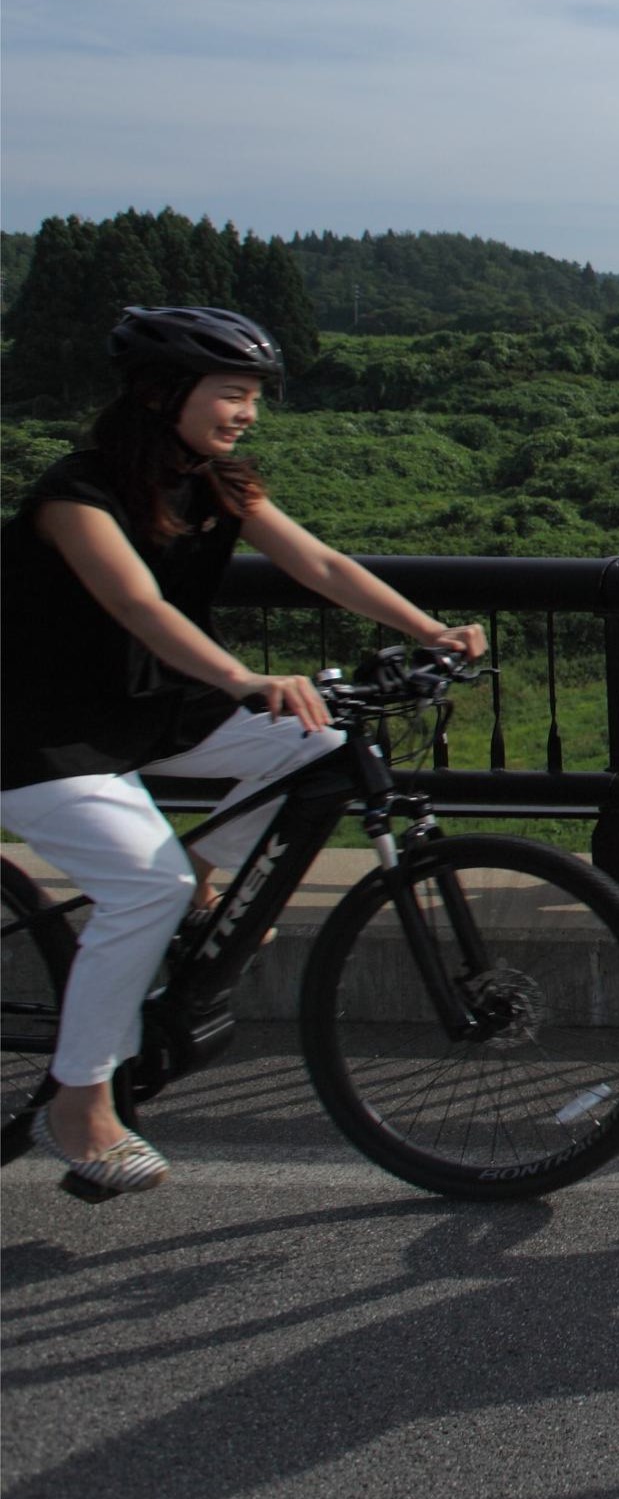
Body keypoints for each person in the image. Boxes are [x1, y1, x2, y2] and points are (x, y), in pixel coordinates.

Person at [0, 307, 487, 1200]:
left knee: (318, 743)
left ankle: (206, 872)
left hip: (151, 712)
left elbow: (324, 567)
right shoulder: (75, 498)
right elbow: (141, 606)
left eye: (254, 396)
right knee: (145, 886)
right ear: (159, 394)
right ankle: (79, 1103)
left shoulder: (220, 485)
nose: (248, 413)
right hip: (40, 730)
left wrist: (432, 631)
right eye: (232, 394)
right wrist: (243, 678)